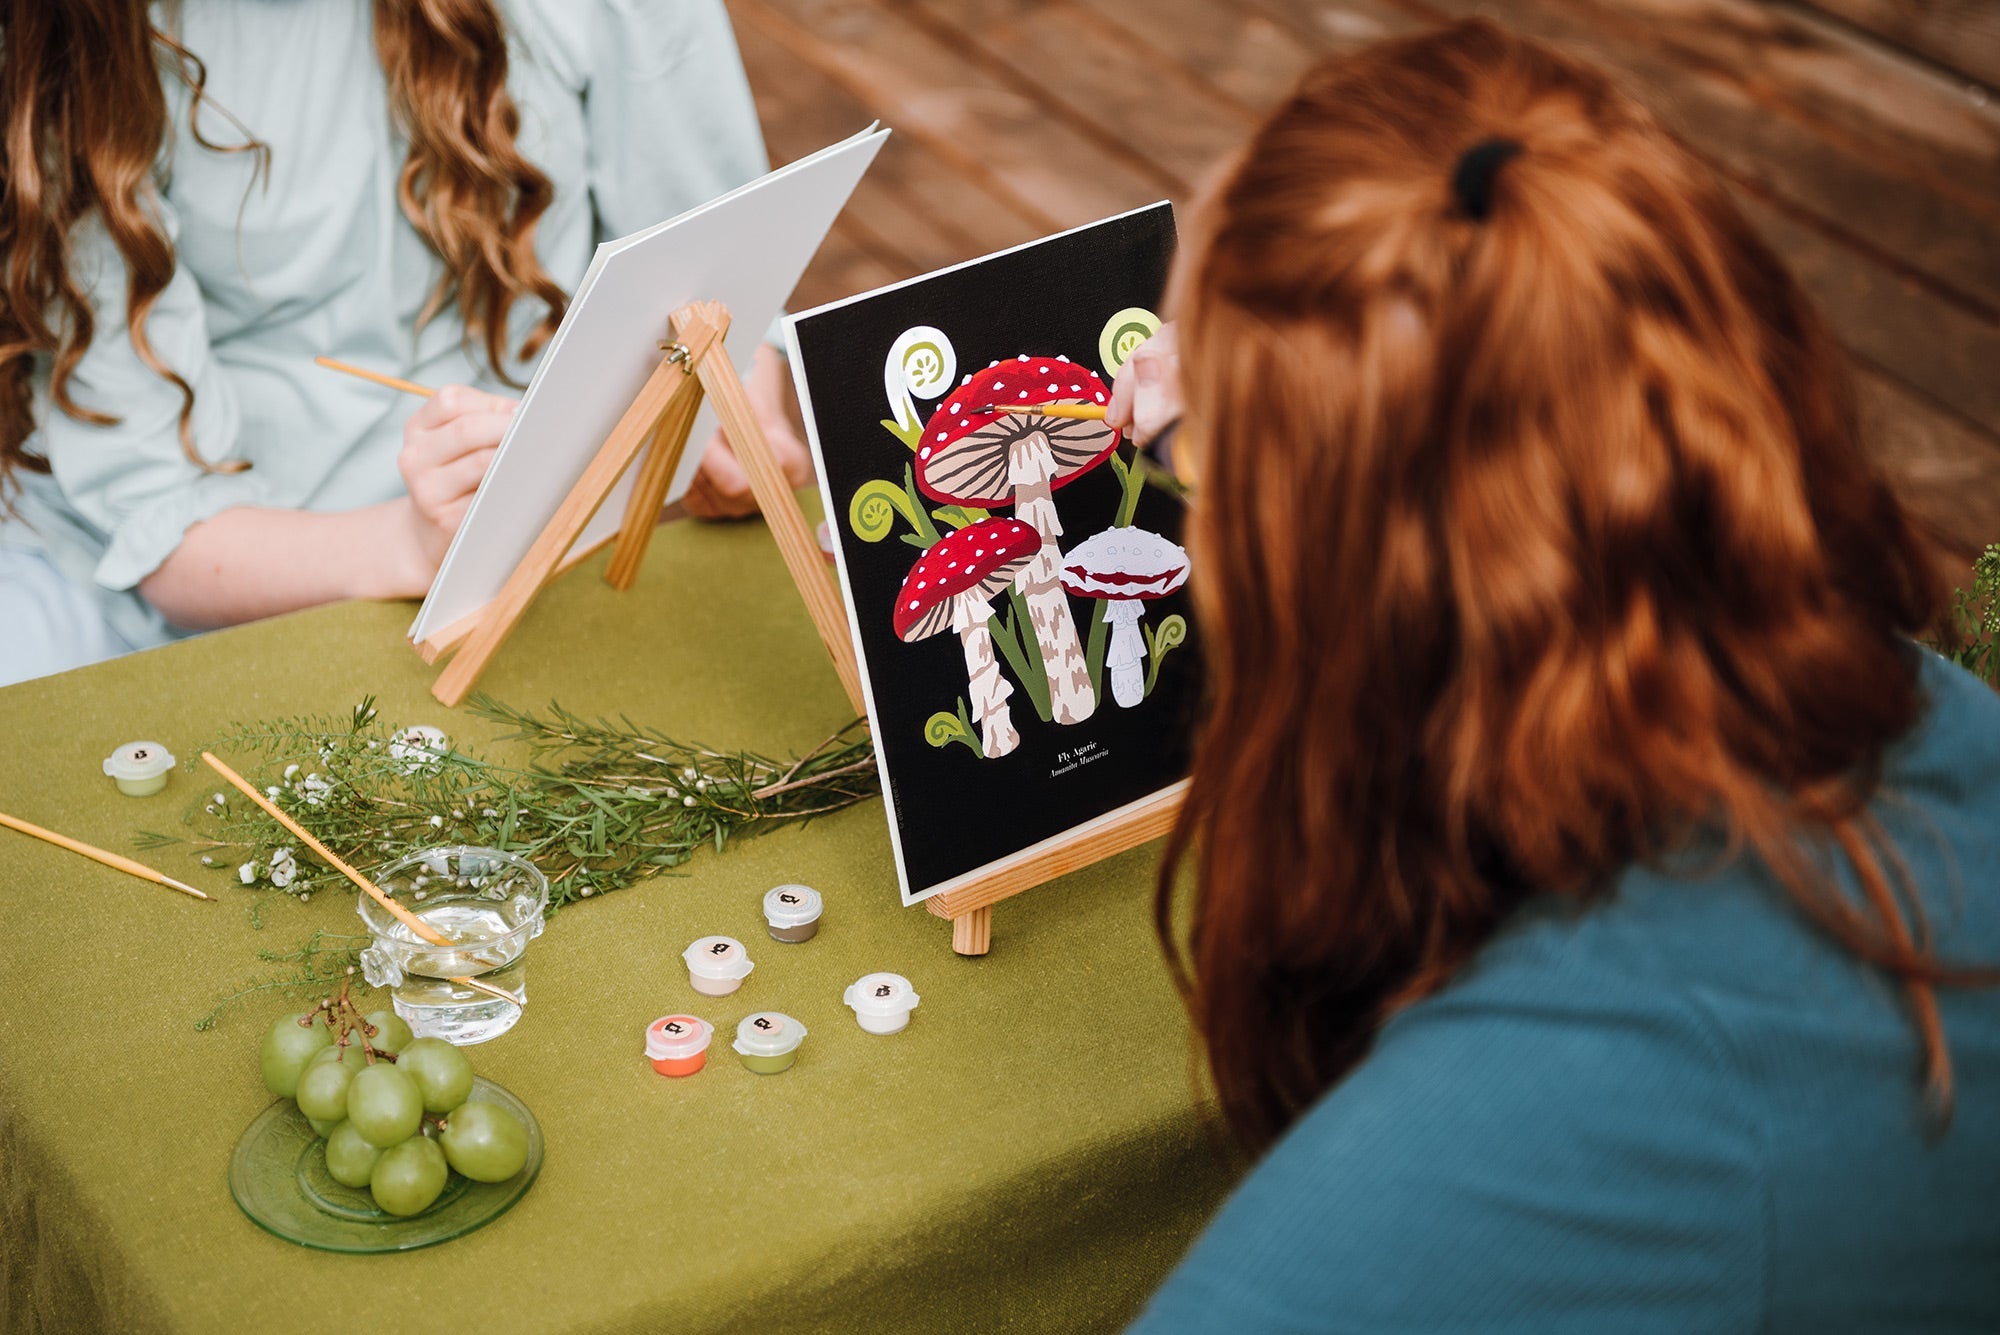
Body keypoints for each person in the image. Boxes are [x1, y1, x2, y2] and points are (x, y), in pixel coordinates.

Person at [1113, 19, 2000, 1332]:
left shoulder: (1477, 1167)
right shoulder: (1938, 718)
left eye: (1196, 449)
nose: (1146, 400)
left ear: (1315, 569)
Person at [0, 0, 813, 686]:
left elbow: (718, 255)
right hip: (227, 577)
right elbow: (158, 525)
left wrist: (744, 418)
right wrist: (415, 544)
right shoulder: (90, 41)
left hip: (567, 541)